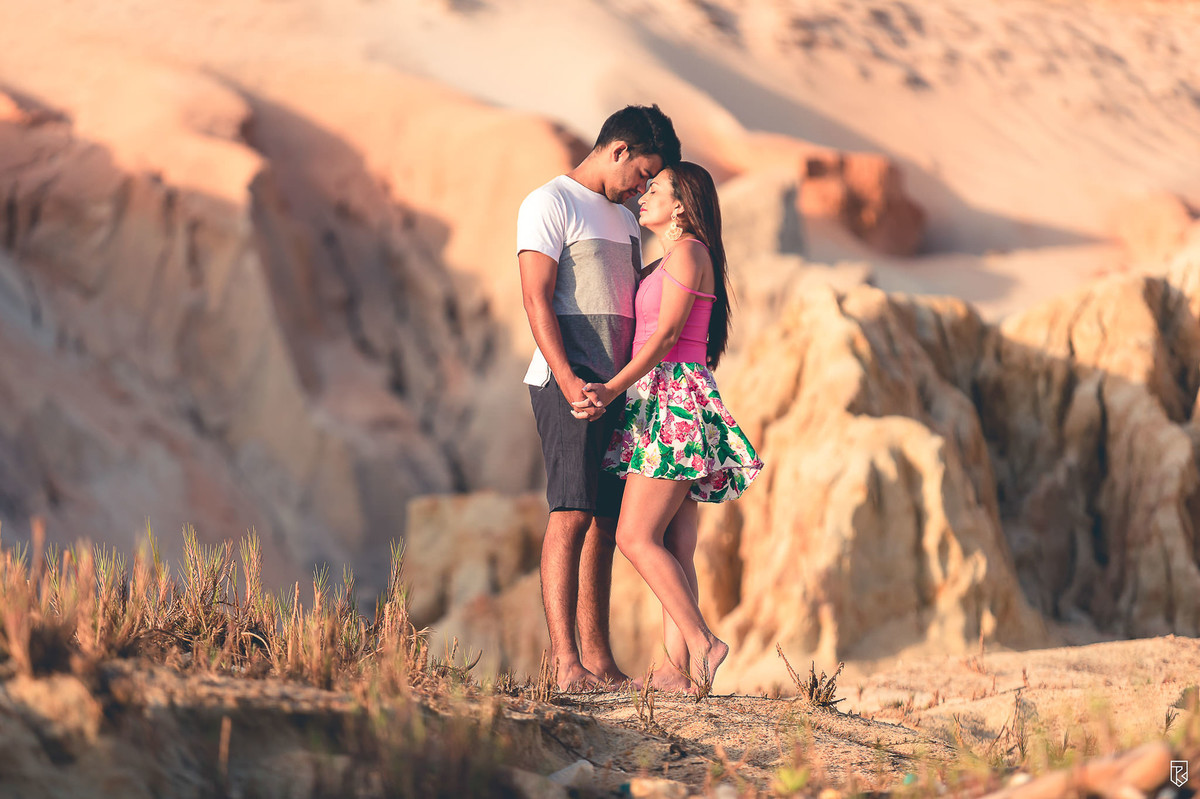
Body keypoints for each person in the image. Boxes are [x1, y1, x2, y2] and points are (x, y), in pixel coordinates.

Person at [574, 161, 762, 695]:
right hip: (660, 400)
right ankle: (676, 673)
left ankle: (702, 642)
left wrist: (611, 388)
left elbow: (666, 336)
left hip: (673, 399)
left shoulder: (689, 251)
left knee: (634, 535)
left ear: (681, 204)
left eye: (654, 189)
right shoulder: (670, 257)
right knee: (674, 545)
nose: (644, 195)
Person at [518, 105, 681, 690]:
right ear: (618, 150)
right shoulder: (549, 202)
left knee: (607, 525)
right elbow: (536, 298)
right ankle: (565, 664)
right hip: (568, 382)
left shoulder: (624, 220)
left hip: (615, 388)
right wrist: (566, 380)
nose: (643, 187)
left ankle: (601, 662)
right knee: (571, 514)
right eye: (642, 173)